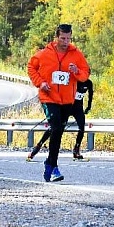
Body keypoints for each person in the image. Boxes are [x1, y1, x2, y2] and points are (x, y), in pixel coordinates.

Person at [27, 23, 90, 182]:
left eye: (68, 38)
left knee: (58, 131)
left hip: (68, 100)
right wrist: (40, 83)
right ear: (57, 37)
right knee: (55, 128)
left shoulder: (76, 54)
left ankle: (50, 164)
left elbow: (85, 74)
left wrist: (76, 72)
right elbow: (31, 68)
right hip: (49, 97)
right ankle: (53, 167)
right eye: (63, 38)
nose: (66, 41)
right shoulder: (44, 54)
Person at [27, 77, 93, 161]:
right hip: (68, 106)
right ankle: (37, 148)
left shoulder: (88, 83)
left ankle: (76, 150)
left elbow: (90, 94)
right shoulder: (74, 81)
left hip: (78, 109)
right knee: (55, 128)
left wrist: (88, 107)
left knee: (81, 128)